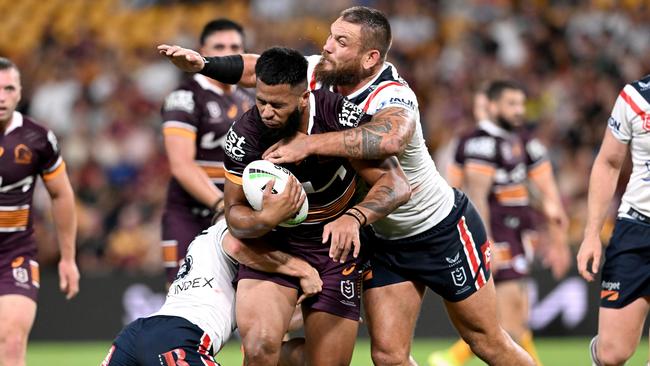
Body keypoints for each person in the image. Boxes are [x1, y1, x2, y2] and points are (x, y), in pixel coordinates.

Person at [158, 6, 533, 366]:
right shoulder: (322, 74)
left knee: (485, 340)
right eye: (329, 36)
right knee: (387, 356)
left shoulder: (392, 93)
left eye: (340, 41)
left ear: (370, 57)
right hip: (376, 234)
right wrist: (206, 65)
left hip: (433, 226)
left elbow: (390, 139)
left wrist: (309, 143)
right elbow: (263, 69)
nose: (327, 46)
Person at [222, 47, 411, 366]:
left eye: (277, 105)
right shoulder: (245, 137)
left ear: (304, 99)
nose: (266, 112)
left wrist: (355, 217)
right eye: (261, 101)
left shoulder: (338, 116)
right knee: (259, 349)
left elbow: (397, 185)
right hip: (273, 246)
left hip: (334, 248)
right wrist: (267, 217)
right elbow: (234, 215)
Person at [429, 81, 570, 366]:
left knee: (517, 314)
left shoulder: (517, 140)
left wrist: (547, 208)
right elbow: (478, 195)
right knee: (511, 320)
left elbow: (520, 186)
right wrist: (487, 240)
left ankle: (454, 359)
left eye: (521, 105)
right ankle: (454, 360)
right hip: (498, 235)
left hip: (518, 234)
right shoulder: (481, 142)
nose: (519, 111)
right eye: (512, 105)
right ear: (492, 106)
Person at [101, 219, 324, 366]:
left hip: (136, 333)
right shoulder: (240, 233)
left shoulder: (205, 241)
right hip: (181, 336)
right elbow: (237, 246)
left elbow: (279, 320)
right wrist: (302, 270)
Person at [160, 18, 254, 284]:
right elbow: (181, 165)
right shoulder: (185, 97)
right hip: (191, 215)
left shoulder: (250, 101)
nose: (227, 52)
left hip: (236, 213)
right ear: (202, 51)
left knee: (249, 299)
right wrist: (221, 206)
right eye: (219, 46)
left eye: (235, 46)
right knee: (184, 298)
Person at [0, 57, 79, 366]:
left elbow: (61, 194)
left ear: (20, 93)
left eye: (9, 88)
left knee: (13, 338)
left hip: (14, 255)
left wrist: (68, 258)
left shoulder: (38, 139)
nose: (1, 97)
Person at [577, 76, 650, 366]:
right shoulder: (636, 96)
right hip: (637, 227)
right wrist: (592, 233)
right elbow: (608, 162)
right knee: (612, 353)